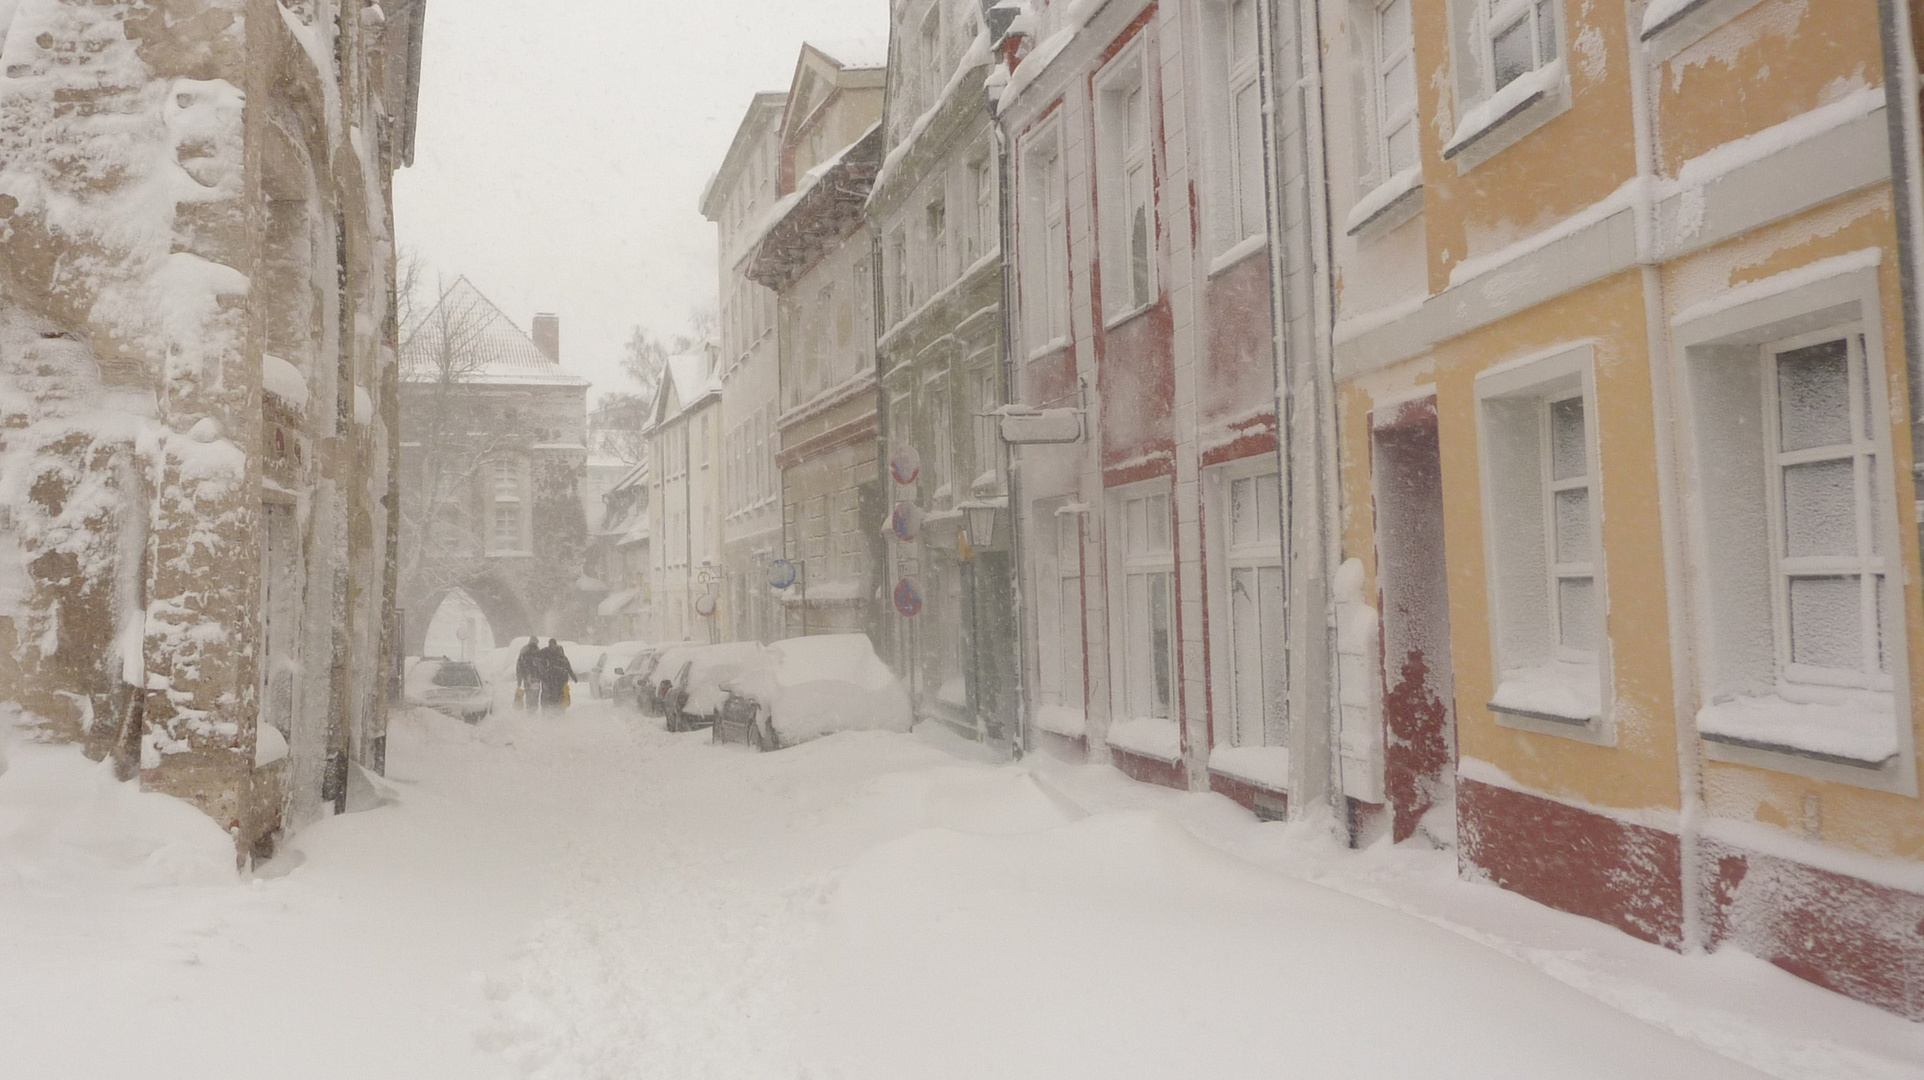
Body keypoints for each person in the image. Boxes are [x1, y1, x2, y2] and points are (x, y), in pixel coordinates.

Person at [538, 638, 574, 713]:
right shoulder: (546, 654)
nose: (553, 646)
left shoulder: (560, 657)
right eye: (552, 645)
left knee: (559, 695)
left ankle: (559, 711)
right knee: (549, 695)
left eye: (554, 645)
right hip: (551, 680)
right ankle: (549, 711)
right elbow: (540, 664)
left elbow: (568, 667)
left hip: (560, 680)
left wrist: (573, 676)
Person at [515, 638, 542, 712]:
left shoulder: (524, 653)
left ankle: (531, 709)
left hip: (529, 677)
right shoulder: (538, 653)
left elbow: (519, 667)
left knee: (530, 693)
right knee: (533, 694)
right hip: (534, 677)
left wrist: (519, 679)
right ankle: (532, 708)